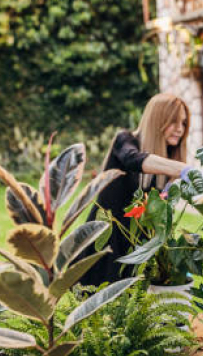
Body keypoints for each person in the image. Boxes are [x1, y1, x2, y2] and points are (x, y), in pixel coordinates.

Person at [80, 93, 192, 287]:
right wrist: (183, 169)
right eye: (173, 122)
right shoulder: (125, 140)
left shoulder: (166, 159)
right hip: (107, 243)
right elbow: (132, 159)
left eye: (183, 123)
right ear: (158, 120)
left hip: (139, 249)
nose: (180, 129)